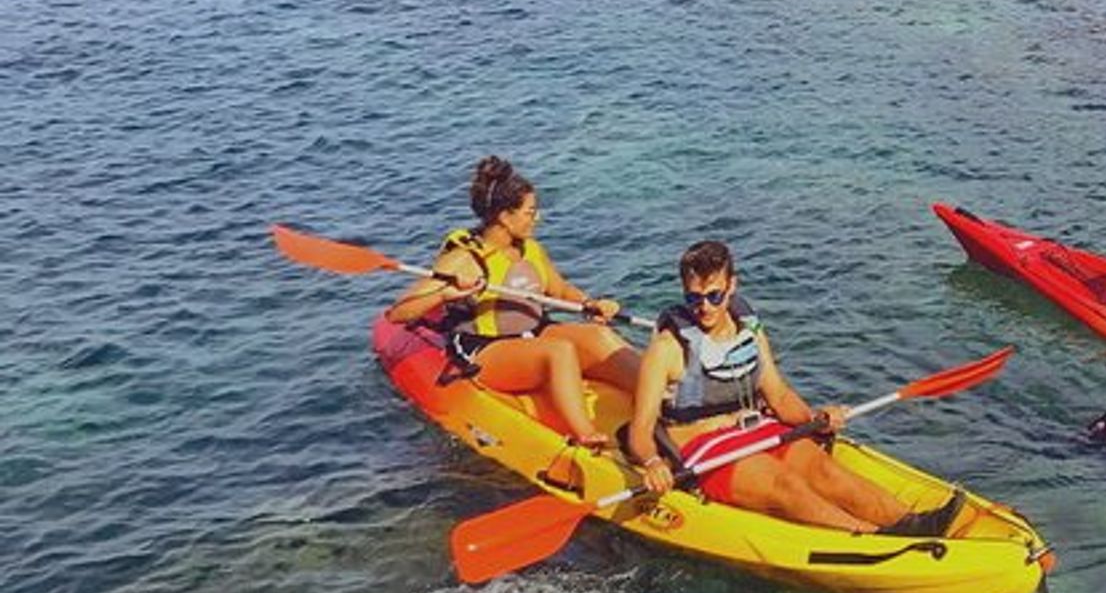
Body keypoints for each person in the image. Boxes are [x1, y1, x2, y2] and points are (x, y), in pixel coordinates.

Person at [623, 240, 960, 535]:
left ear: (732, 286)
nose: (705, 307)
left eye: (714, 296)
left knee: (823, 470)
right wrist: (652, 462)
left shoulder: (748, 330)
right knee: (786, 485)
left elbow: (779, 396)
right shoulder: (668, 347)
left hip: (754, 428)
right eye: (694, 298)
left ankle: (910, 523)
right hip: (704, 448)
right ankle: (868, 537)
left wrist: (815, 417)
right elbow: (641, 429)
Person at [385, 156, 640, 447]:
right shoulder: (465, 259)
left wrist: (589, 303)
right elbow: (398, 313)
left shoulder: (531, 249)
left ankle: (660, 401)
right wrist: (445, 293)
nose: (537, 218)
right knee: (558, 352)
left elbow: (559, 289)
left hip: (534, 330)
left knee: (598, 336)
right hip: (485, 347)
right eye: (530, 212)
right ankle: (587, 436)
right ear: (506, 217)